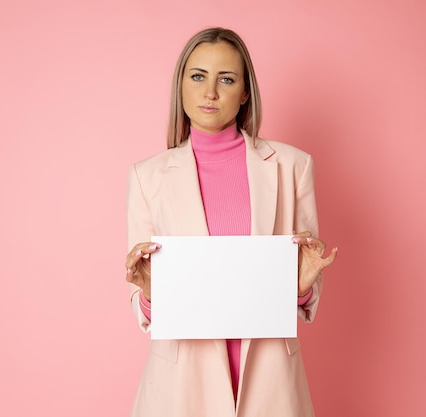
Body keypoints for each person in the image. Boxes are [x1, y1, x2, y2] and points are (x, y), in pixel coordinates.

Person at [124, 27, 337, 417]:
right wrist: (153, 294)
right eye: (198, 76)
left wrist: (303, 285)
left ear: (244, 93)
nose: (210, 92)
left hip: (270, 379)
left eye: (226, 79)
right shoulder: (146, 177)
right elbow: (145, 309)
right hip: (180, 385)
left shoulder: (293, 166)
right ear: (181, 86)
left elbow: (305, 295)